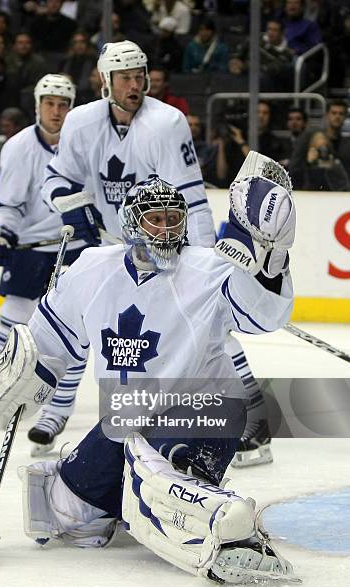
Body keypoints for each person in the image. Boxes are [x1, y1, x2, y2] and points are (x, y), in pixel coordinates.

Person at [0, 167, 297, 584]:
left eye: (173, 218)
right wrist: (20, 378)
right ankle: (139, 506)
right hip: (128, 416)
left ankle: (233, 535)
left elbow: (264, 317)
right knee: (65, 509)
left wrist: (271, 258)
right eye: (153, 219)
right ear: (130, 223)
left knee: (152, 474)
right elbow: (47, 342)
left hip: (206, 410)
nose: (164, 229)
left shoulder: (210, 269)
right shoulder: (91, 268)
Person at [40, 40, 273, 468]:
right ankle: (59, 413)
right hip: (113, 250)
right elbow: (56, 180)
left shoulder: (166, 123)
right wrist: (77, 209)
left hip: (165, 247)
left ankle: (255, 426)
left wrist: (204, 263)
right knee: (89, 330)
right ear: (104, 80)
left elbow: (191, 196)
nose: (135, 84)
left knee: (211, 333)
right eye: (125, 77)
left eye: (140, 75)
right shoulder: (80, 122)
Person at [0, 73, 86, 455]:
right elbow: (7, 203)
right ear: (38, 105)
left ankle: (55, 412)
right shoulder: (19, 146)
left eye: (63, 105)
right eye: (50, 104)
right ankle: (6, 387)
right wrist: (0, 232)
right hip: (30, 245)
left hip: (75, 246)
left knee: (74, 330)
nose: (56, 111)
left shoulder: (84, 142)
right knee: (15, 314)